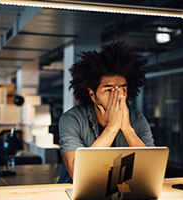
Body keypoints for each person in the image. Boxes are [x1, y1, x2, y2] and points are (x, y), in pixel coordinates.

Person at [58, 42, 155, 183]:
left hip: (120, 192)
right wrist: (112, 128)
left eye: (123, 89)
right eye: (109, 90)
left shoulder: (137, 119)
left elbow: (151, 168)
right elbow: (76, 172)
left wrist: (128, 130)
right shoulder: (71, 119)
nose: (118, 96)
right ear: (92, 94)